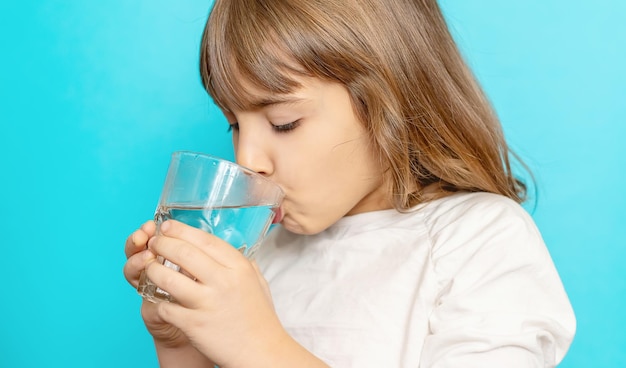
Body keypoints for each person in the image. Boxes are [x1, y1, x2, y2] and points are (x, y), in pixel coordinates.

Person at [123, 0, 576, 366]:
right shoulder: (266, 252)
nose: (248, 161)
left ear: (389, 102)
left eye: (283, 123)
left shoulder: (477, 240)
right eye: (234, 125)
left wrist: (258, 348)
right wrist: (181, 343)